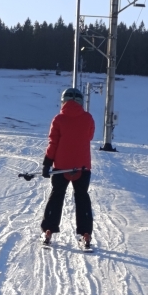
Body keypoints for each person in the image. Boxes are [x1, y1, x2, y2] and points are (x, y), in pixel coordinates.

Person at [41, 87, 96, 248]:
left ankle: (48, 230)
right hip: (82, 167)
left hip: (61, 166)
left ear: (63, 101)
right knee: (82, 197)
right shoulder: (88, 118)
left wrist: (47, 163)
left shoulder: (58, 119)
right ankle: (86, 234)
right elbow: (89, 136)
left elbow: (53, 143)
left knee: (57, 196)